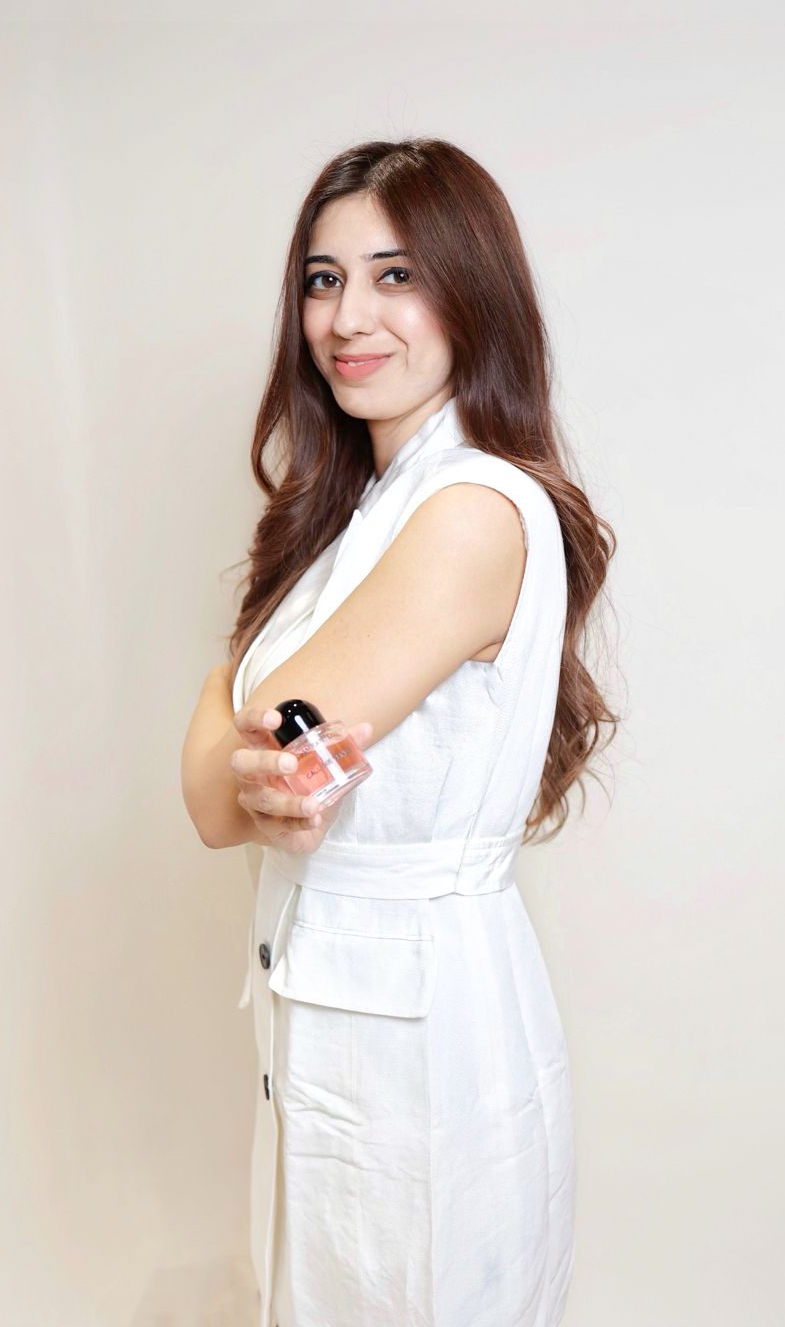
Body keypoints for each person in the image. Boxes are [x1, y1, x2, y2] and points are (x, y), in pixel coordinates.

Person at [181, 137, 618, 1327]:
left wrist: (228, 692)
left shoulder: (469, 507)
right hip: (345, 1016)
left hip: (421, 1050)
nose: (346, 318)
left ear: (472, 293)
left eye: (395, 275)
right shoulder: (356, 516)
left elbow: (226, 780)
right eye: (322, 280)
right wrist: (239, 703)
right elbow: (228, 779)